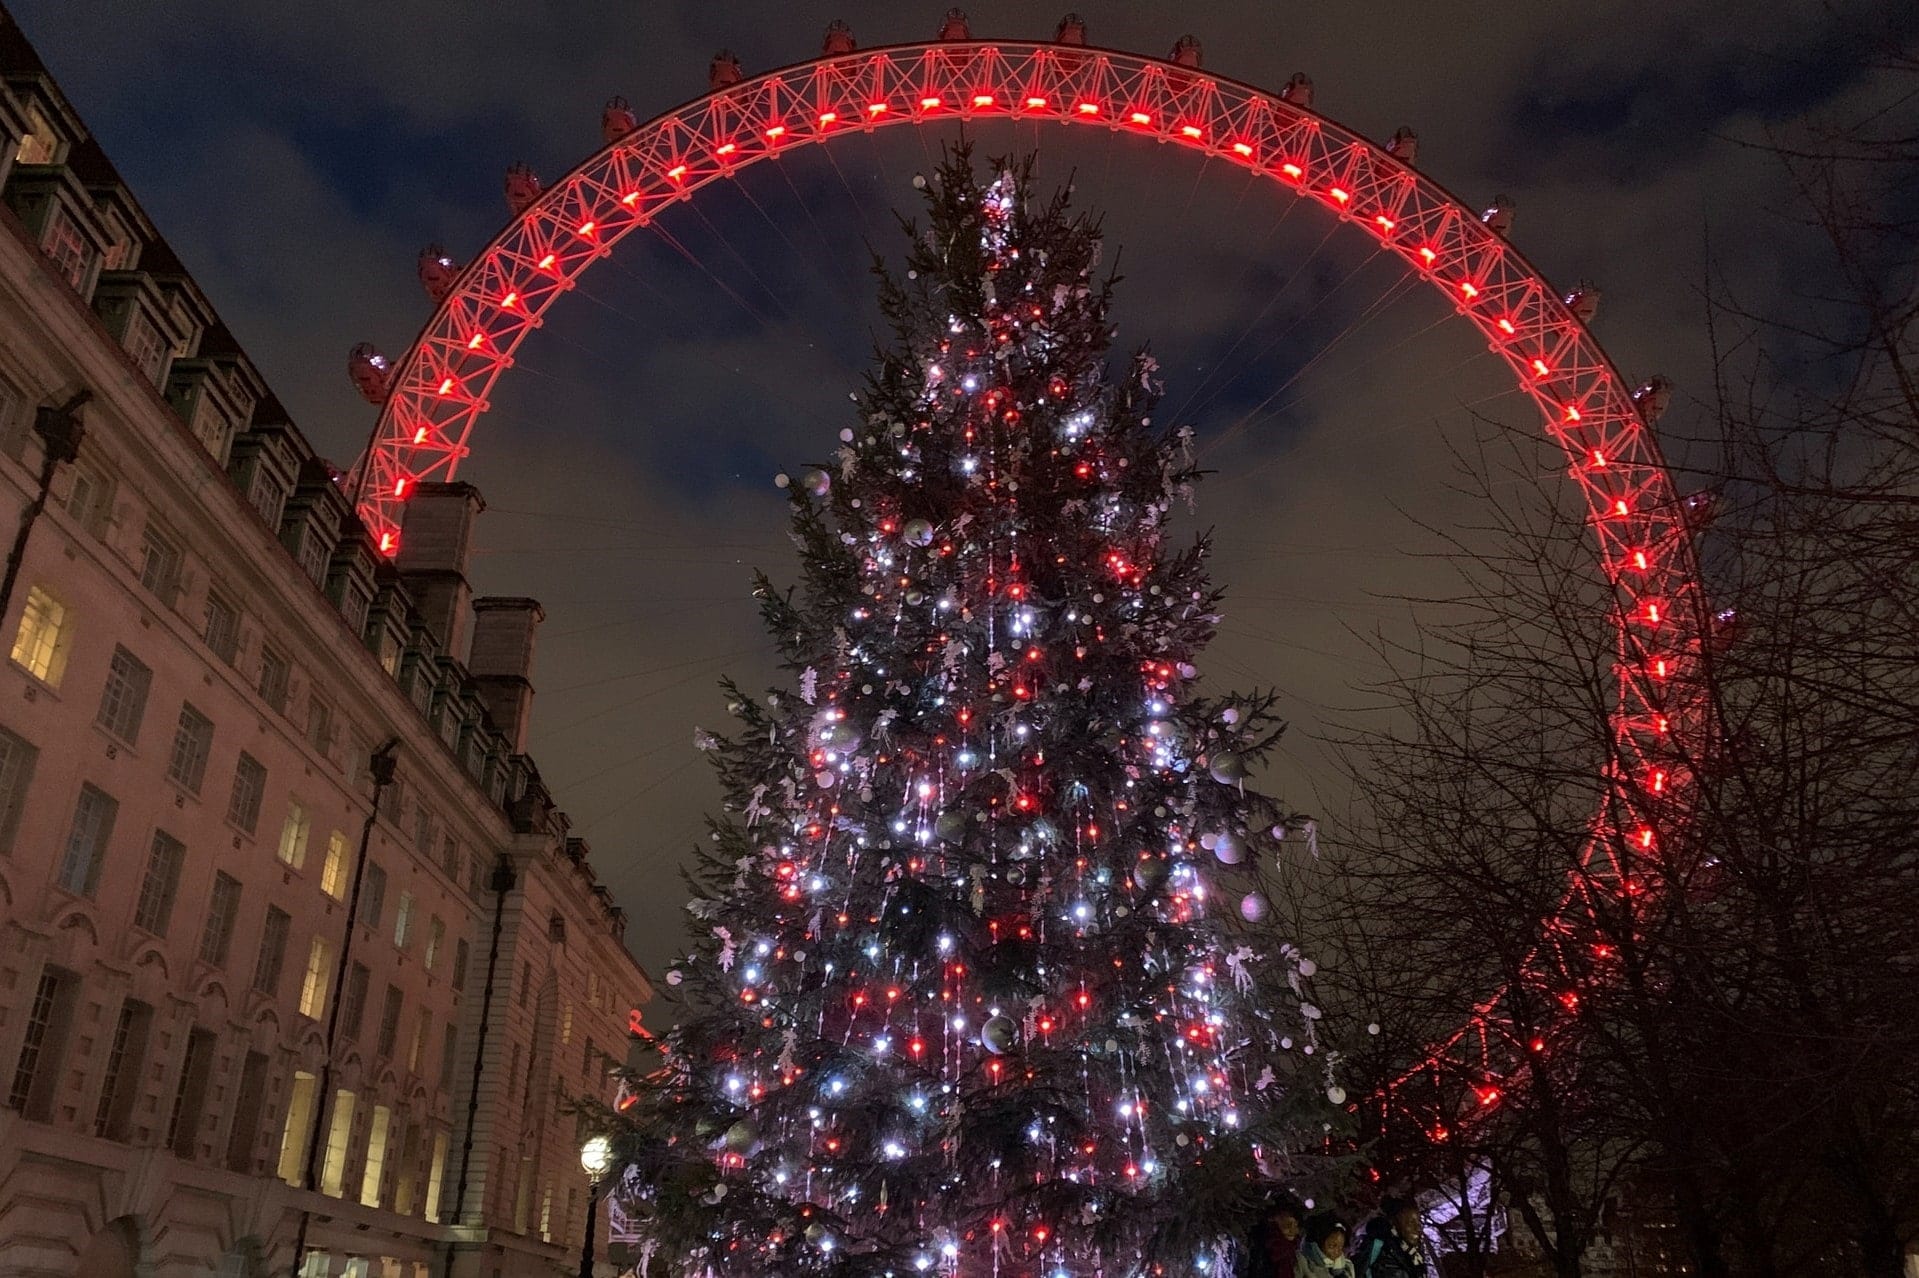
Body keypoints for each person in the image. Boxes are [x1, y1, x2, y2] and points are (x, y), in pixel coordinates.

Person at [1353, 1196, 1429, 1278]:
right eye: (1410, 1223)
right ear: (1395, 1224)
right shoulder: (1379, 1249)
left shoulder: (1415, 1257)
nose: (1417, 1228)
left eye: (1419, 1223)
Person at [1242, 1195, 1305, 1278]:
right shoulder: (1263, 1245)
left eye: (1296, 1225)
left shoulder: (1290, 1251)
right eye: (1287, 1225)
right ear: (1272, 1221)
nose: (1293, 1230)